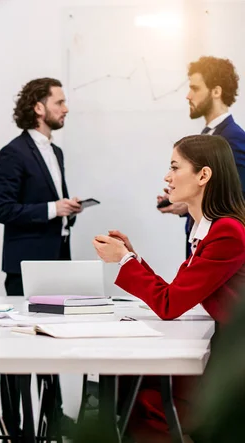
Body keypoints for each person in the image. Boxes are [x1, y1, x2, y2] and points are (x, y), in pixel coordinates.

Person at [95, 135, 245, 442]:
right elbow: (175, 294)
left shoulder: (226, 232)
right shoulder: (209, 229)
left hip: (233, 363)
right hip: (223, 348)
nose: (167, 177)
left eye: (175, 167)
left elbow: (169, 304)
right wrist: (131, 257)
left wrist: (124, 261)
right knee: (131, 379)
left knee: (140, 388)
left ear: (204, 175)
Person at [0, 77, 82, 297]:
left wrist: (69, 210)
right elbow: (2, 209)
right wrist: (54, 209)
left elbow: (54, 202)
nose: (66, 109)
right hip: (27, 266)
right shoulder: (13, 153)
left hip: (59, 259)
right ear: (39, 108)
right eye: (59, 103)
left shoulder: (56, 152)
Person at [157, 56, 245, 257]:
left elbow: (234, 198)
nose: (188, 96)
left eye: (195, 88)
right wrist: (185, 202)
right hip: (199, 242)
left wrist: (189, 202)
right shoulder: (207, 136)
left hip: (218, 250)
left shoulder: (234, 139)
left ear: (216, 91)